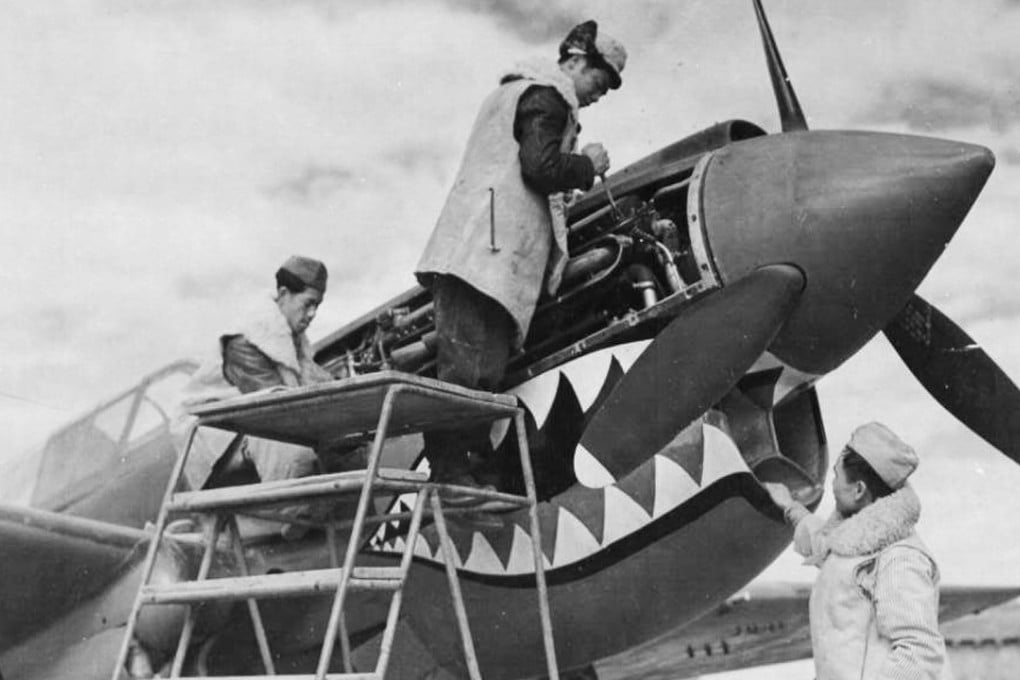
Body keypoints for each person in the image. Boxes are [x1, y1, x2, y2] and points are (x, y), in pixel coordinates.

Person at [415, 19, 627, 490]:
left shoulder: (517, 93)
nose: (601, 93)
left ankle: (466, 472)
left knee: (478, 371)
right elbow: (541, 167)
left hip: (481, 254)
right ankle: (451, 475)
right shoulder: (545, 96)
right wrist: (586, 165)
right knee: (469, 372)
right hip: (485, 257)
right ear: (577, 60)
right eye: (601, 80)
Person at [764, 422, 950, 680]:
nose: (832, 484)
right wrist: (791, 508)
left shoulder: (900, 559)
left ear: (859, 490)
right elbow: (832, 550)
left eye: (836, 476)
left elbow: (920, 654)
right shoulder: (863, 544)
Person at [174, 255, 336, 538]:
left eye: (317, 306)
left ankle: (323, 517)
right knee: (290, 450)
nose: (312, 314)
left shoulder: (293, 342)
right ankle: (293, 523)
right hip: (212, 438)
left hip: (242, 426)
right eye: (308, 303)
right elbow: (274, 407)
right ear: (283, 294)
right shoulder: (245, 341)